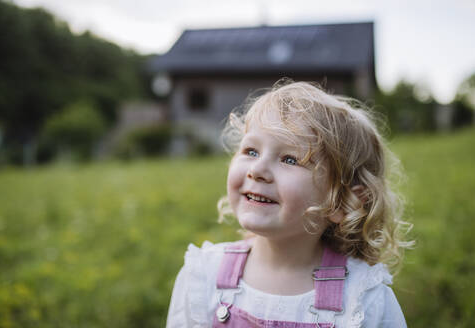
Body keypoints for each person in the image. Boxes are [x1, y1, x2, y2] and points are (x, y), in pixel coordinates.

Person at [166, 80, 413, 327]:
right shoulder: (203, 277)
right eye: (251, 151)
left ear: (343, 203)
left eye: (290, 159)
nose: (257, 169)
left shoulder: (362, 299)